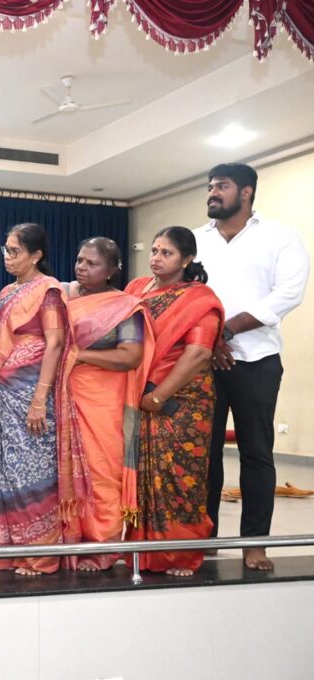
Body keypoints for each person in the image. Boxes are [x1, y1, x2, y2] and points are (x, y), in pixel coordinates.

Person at [196, 163, 310, 572]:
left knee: (257, 453)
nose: (213, 192)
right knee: (203, 455)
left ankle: (254, 544)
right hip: (201, 361)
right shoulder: (196, 239)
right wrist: (209, 339)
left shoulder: (280, 237)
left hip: (257, 361)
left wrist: (227, 329)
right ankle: (204, 540)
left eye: (222, 186)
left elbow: (288, 293)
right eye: (211, 186)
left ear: (246, 192)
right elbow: (184, 293)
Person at [125, 226, 223, 577]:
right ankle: (141, 551)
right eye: (154, 250)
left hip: (180, 402)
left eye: (166, 253)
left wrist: (159, 395)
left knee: (178, 476)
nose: (156, 258)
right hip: (138, 396)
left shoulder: (198, 300)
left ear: (187, 259)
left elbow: (198, 354)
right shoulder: (136, 289)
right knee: (139, 476)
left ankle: (181, 554)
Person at [63, 237, 151, 571]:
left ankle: (104, 546)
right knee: (70, 472)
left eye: (92, 263)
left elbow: (130, 355)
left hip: (104, 403)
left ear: (112, 269)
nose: (82, 268)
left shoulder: (124, 306)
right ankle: (72, 540)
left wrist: (81, 355)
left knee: (102, 471)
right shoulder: (66, 300)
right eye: (80, 260)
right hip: (67, 396)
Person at [0, 223, 69, 576]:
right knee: (6, 471)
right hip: (5, 396)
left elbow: (55, 343)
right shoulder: (7, 291)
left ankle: (40, 555)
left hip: (32, 396)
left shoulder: (48, 290)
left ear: (36, 255)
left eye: (15, 251)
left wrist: (39, 400)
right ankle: (9, 550)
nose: (7, 257)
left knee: (31, 472)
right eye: (5, 250)